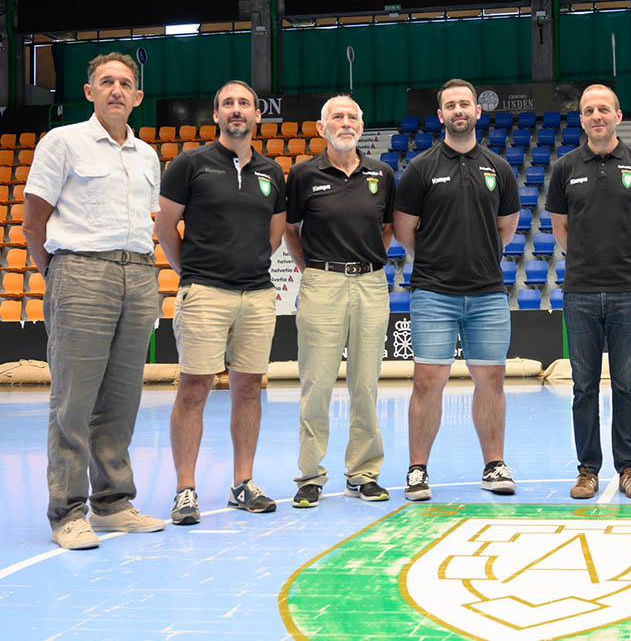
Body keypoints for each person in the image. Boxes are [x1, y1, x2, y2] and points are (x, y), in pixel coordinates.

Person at [22, 53, 165, 549]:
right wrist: (59, 273)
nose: (116, 91)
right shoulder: (62, 142)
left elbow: (149, 220)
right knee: (73, 402)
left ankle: (113, 503)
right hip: (81, 271)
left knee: (122, 400)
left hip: (139, 273)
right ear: (89, 92)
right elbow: (33, 223)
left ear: (138, 97)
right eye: (107, 82)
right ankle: (67, 512)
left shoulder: (147, 155)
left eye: (126, 84)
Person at [155, 80, 287, 525]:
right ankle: (185, 490)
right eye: (228, 103)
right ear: (216, 116)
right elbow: (166, 227)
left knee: (249, 388)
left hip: (256, 294)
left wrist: (246, 266)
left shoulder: (272, 172)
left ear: (256, 115)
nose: (236, 110)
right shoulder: (189, 164)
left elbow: (273, 234)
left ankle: (242, 484)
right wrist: (191, 271)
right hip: (204, 293)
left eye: (244, 104)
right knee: (194, 388)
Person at [394, 78, 520, 502]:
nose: (458, 111)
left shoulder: (499, 168)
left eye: (464, 104)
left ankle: (494, 464)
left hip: (487, 293)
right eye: (450, 105)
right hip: (433, 293)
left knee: (492, 381)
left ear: (477, 112)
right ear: (441, 115)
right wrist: (439, 259)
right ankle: (417, 470)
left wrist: (476, 257)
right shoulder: (420, 168)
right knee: (428, 381)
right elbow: (405, 231)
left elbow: (506, 229)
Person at [545, 84, 631, 500]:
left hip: (630, 291)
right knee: (583, 387)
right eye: (588, 110)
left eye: (604, 109)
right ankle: (587, 470)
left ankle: (629, 469)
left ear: (618, 116)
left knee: (627, 384)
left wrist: (630, 255)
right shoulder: (565, 167)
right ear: (581, 119)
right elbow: (559, 226)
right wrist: (584, 258)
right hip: (579, 292)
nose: (596, 116)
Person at [283, 95, 395, 509]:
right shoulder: (302, 174)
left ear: (361, 127)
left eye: (352, 117)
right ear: (321, 126)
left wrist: (365, 263)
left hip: (370, 283)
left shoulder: (381, 174)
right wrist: (313, 268)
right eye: (337, 117)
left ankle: (363, 473)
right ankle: (310, 475)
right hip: (322, 282)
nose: (345, 123)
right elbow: (290, 230)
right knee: (317, 384)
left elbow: (386, 230)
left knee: (365, 384)